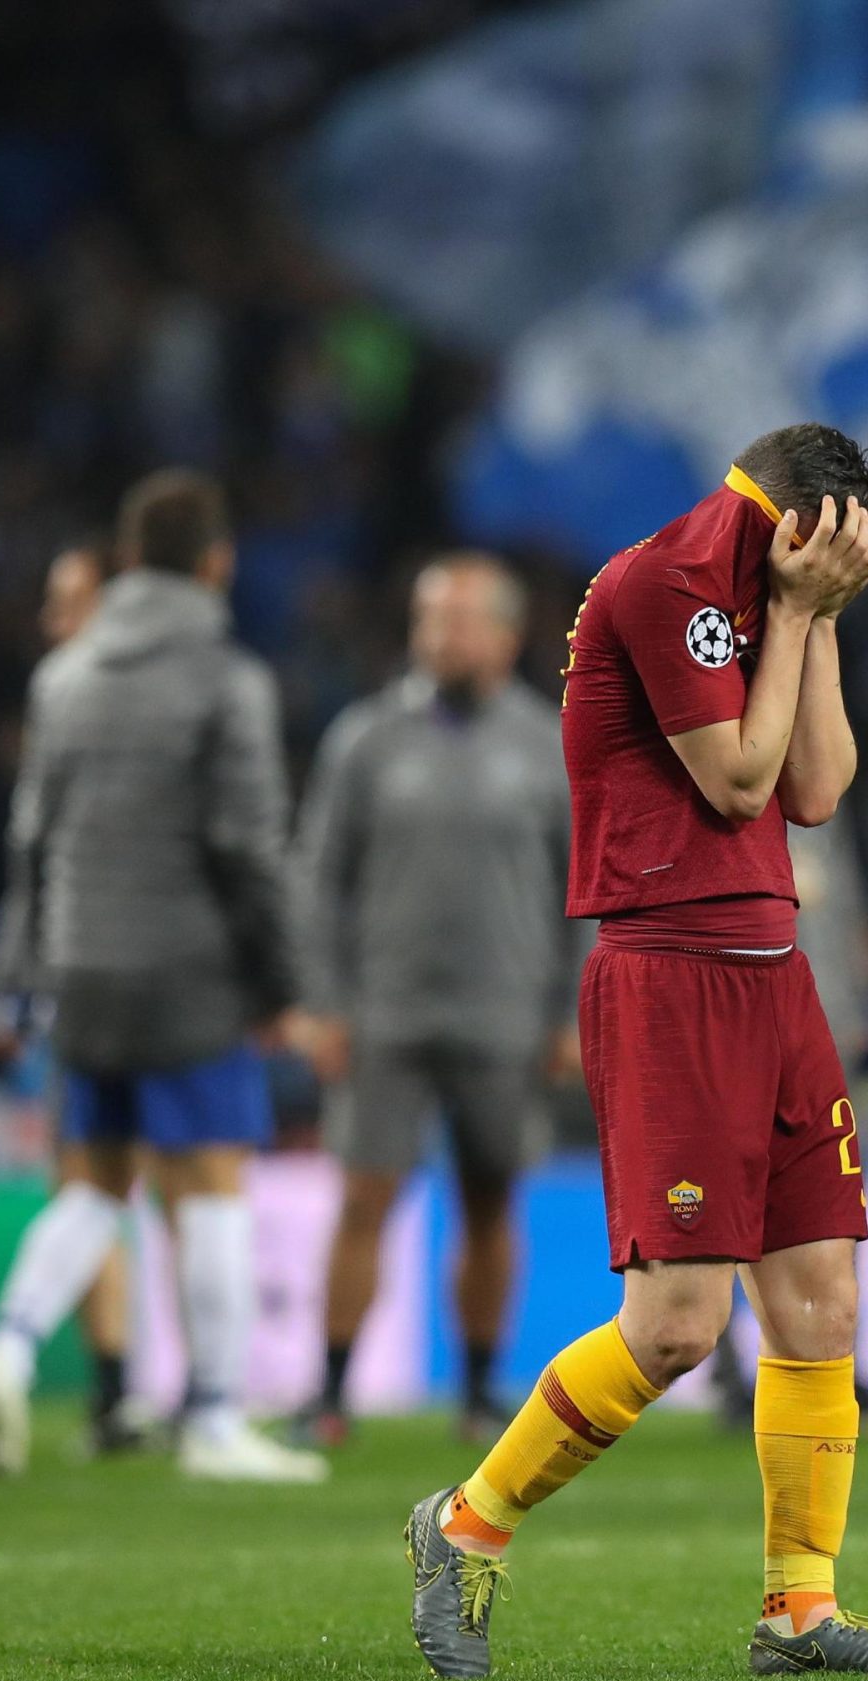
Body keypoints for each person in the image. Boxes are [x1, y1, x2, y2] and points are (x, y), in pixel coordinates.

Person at [402, 426, 868, 1681]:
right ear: (809, 521)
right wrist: (801, 609)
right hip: (668, 970)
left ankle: (800, 1613)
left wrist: (813, 622)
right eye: (849, 542)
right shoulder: (661, 583)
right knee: (674, 1326)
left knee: (822, 1299)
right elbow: (741, 781)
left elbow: (821, 787)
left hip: (774, 970)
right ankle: (462, 1525)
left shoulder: (776, 588)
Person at [0, 471, 323, 1486]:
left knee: (95, 1184)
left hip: (81, 967)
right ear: (217, 564)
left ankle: (8, 1347)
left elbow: (28, 838)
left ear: (125, 563)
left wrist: (21, 973)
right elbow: (247, 848)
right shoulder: (225, 680)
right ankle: (212, 1418)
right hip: (187, 969)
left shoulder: (65, 676)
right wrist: (281, 983)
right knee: (211, 1187)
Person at [293, 553, 576, 1447]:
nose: (438, 637)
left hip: (507, 1019)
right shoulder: (365, 739)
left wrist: (574, 1012)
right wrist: (322, 1003)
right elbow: (316, 883)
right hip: (384, 1015)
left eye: (457, 620)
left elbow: (589, 890)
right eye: (427, 619)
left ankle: (482, 1391)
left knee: (491, 1203)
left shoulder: (550, 745)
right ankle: (329, 1391)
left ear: (505, 634)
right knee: (362, 1198)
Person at [0, 541, 154, 1457]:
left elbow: (30, 851)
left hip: (113, 971)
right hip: (116, 974)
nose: (52, 623)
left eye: (68, 601)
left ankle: (133, 1389)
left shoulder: (102, 693)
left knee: (120, 1181)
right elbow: (32, 854)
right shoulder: (68, 692)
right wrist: (15, 976)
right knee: (114, 1181)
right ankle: (129, 1391)